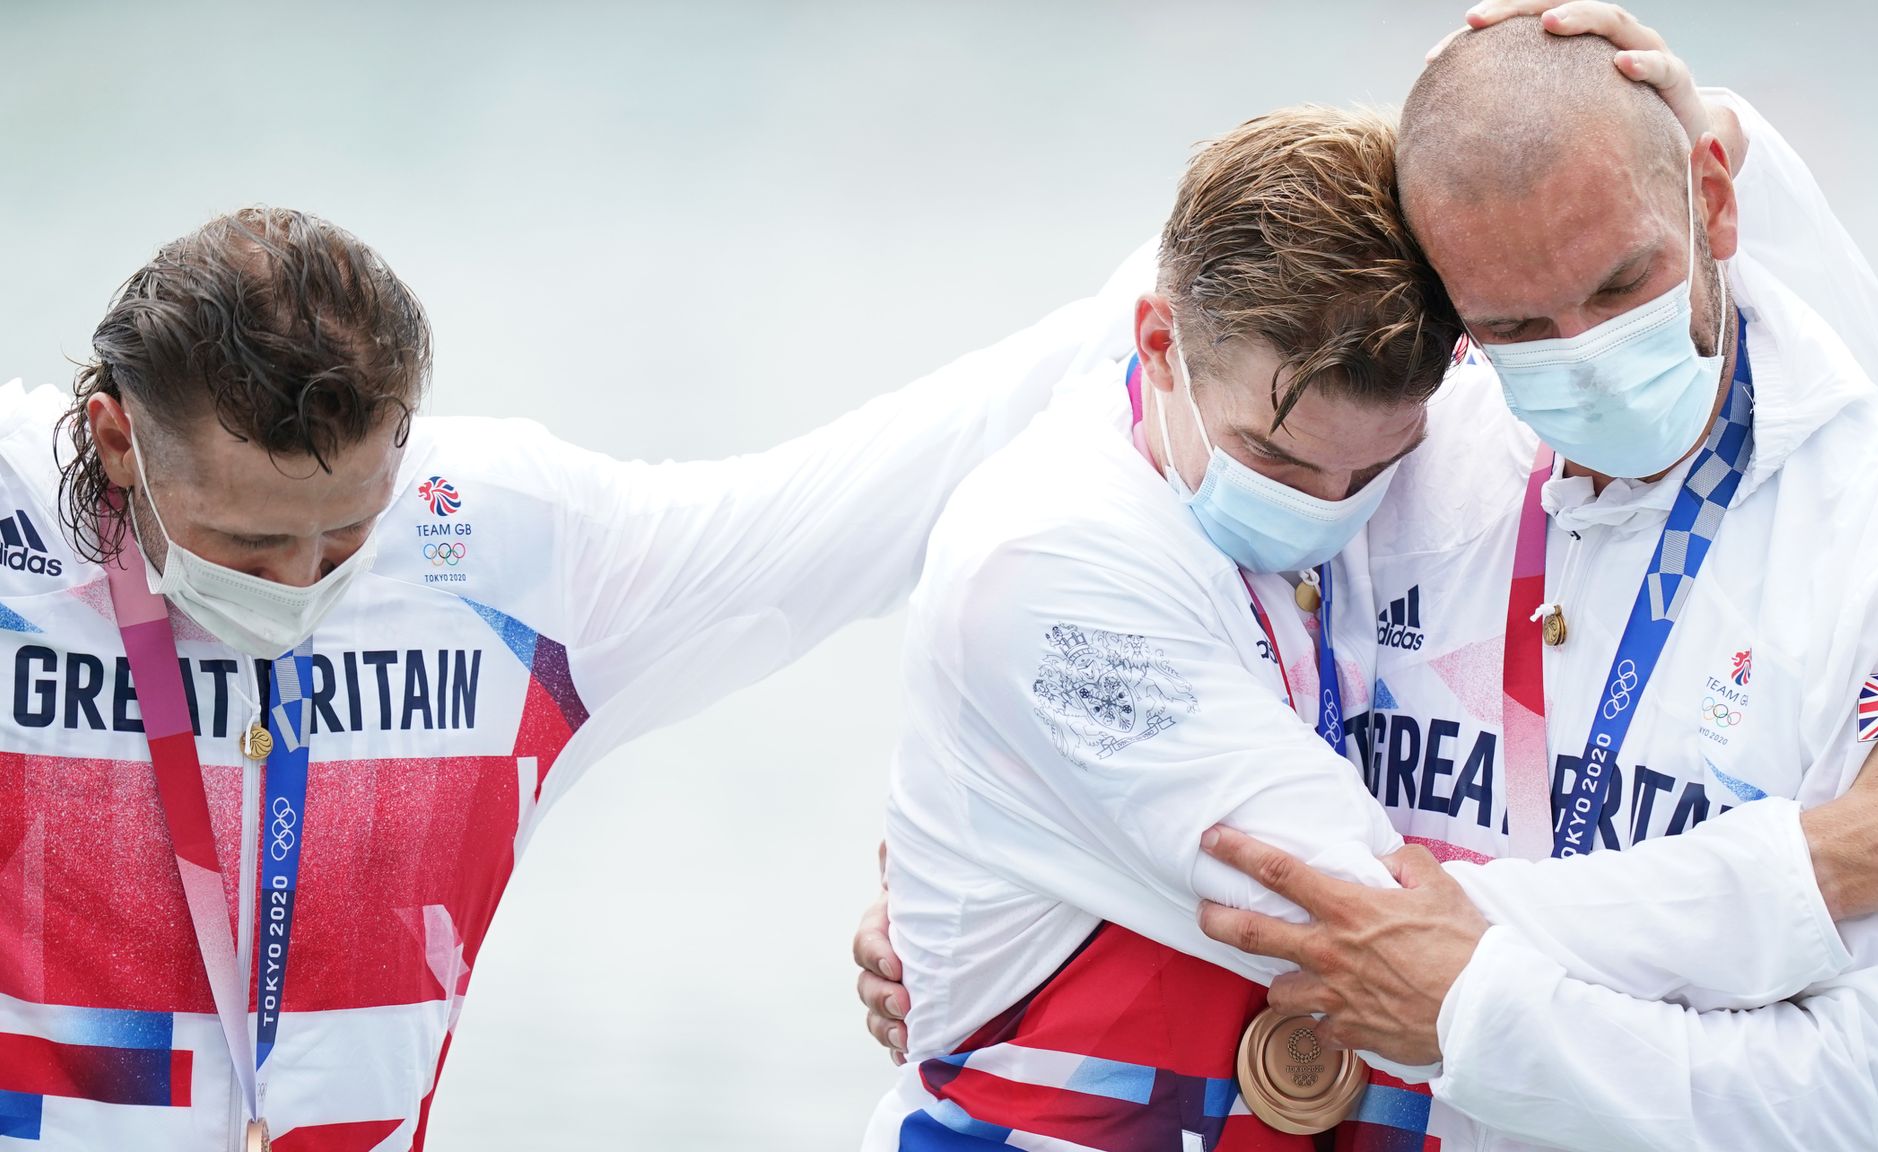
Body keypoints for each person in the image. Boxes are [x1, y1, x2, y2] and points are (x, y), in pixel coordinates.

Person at [849, 10, 1878, 1151]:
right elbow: (1331, 917)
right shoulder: (1381, 454)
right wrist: (1824, 864)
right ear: (1450, 310)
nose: (1580, 350)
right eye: (1516, 323)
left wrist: (1466, 1008)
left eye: (1619, 286)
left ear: (1717, 206)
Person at [0, 208, 1132, 1149]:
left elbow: (877, 487)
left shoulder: (506, 542)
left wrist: (1174, 301)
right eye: (248, 548)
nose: (299, 587)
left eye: (344, 537)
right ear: (113, 438)